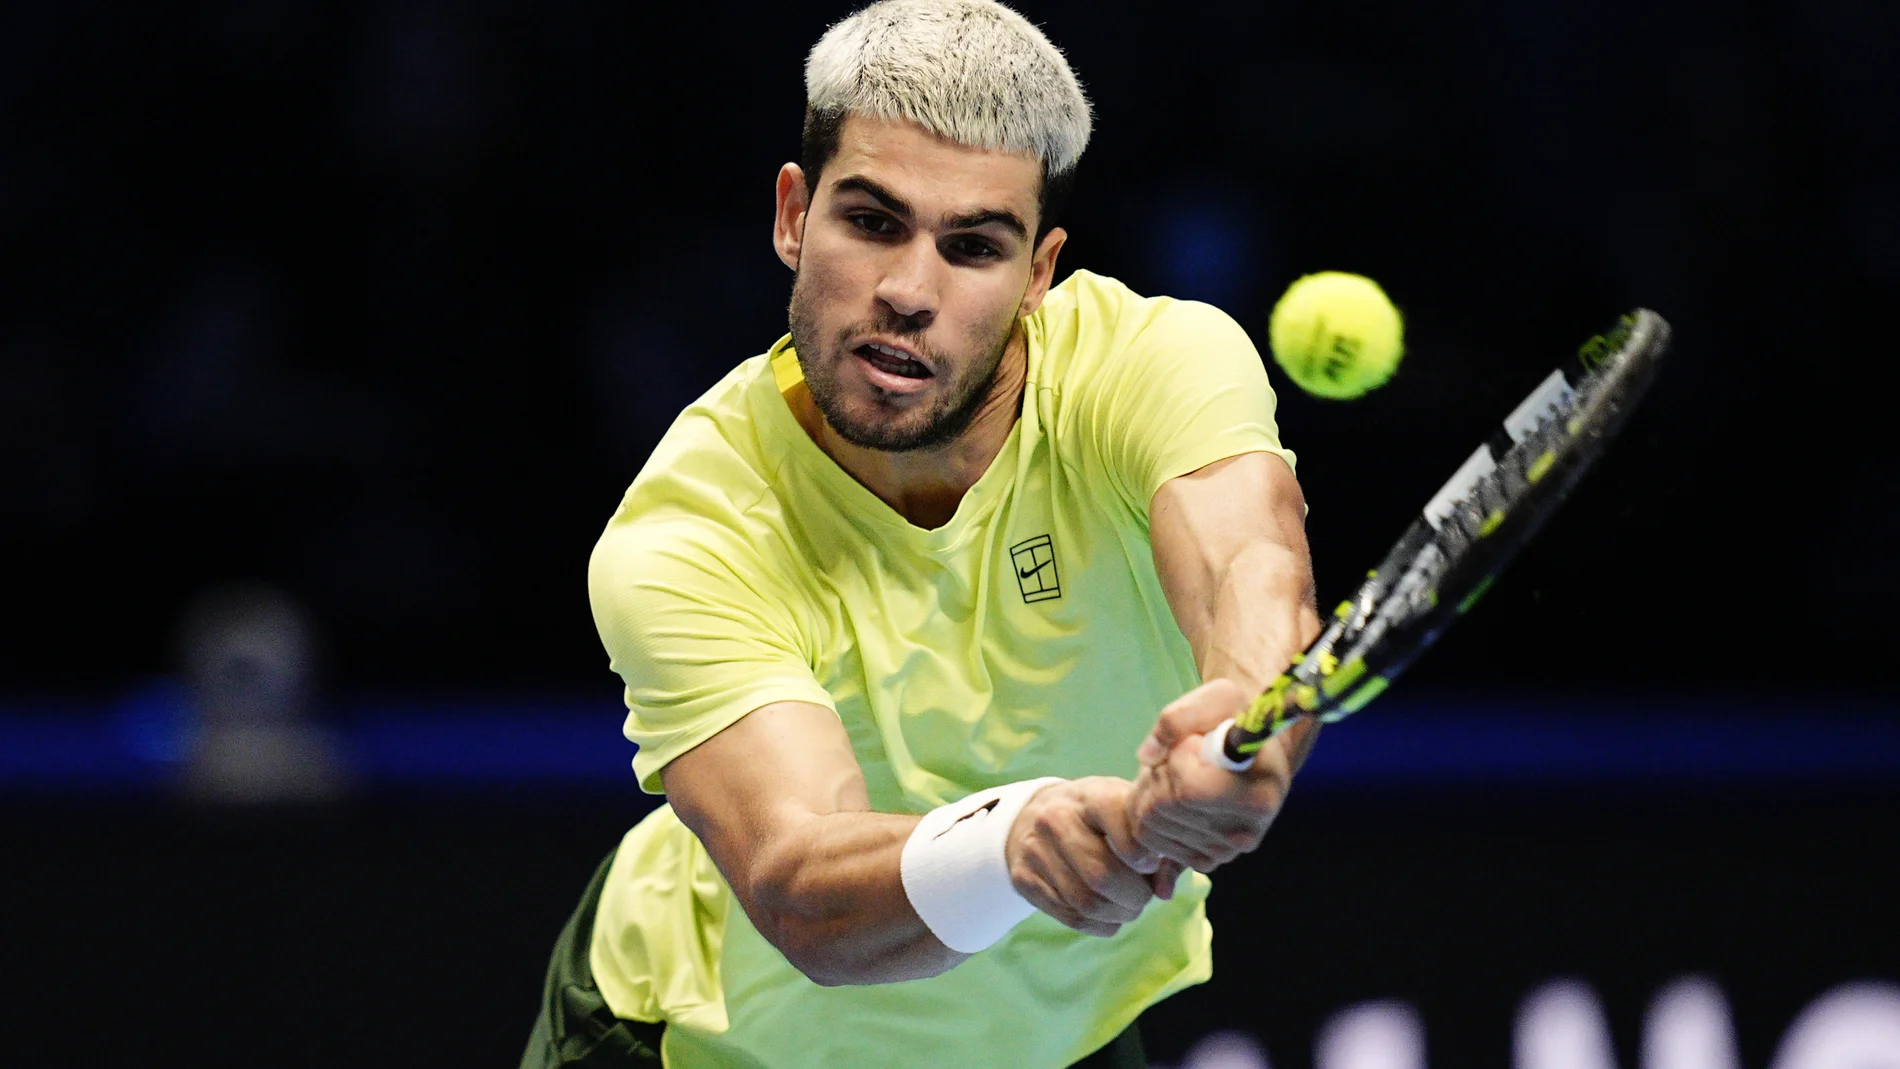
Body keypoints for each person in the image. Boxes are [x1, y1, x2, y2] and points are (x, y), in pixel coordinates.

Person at [521, 2, 1321, 1066]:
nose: (909, 291)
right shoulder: (689, 529)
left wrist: (1245, 710)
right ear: (793, 215)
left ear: (1038, 273)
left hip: (1054, 1039)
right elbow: (801, 887)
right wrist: (1009, 843)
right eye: (872, 221)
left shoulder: (1154, 364)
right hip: (696, 1043)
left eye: (974, 246)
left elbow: (1250, 564)